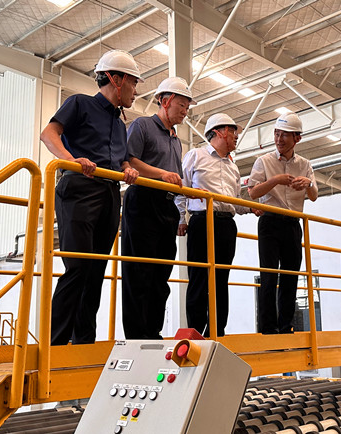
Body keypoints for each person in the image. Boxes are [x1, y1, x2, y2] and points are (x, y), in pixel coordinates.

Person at [40, 50, 141, 345]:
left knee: (96, 270)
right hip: (79, 188)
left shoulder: (120, 125)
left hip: (110, 193)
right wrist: (72, 160)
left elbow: (121, 159)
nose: (136, 91)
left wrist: (127, 168)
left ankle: (84, 342)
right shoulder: (79, 104)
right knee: (78, 267)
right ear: (116, 79)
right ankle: (55, 344)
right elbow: (49, 134)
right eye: (134, 83)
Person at [121, 76, 194, 339]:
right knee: (139, 272)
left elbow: (175, 176)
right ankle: (136, 335)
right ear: (165, 101)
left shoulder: (176, 140)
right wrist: (162, 174)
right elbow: (129, 161)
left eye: (187, 107)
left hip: (166, 206)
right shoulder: (142, 126)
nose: (185, 112)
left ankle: (153, 332)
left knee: (161, 273)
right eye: (182, 105)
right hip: (142, 201)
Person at [176, 113, 256, 337]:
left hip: (226, 225)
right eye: (233, 132)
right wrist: (181, 218)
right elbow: (181, 187)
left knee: (221, 278)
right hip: (202, 221)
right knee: (199, 277)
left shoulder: (233, 167)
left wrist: (251, 208)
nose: (236, 137)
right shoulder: (195, 155)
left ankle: (217, 331)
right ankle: (195, 331)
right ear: (220, 132)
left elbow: (235, 202)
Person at [247, 112, 318, 334]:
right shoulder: (264, 161)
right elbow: (252, 192)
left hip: (293, 224)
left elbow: (314, 196)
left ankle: (286, 326)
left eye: (285, 135)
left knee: (290, 276)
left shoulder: (305, 165)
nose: (279, 139)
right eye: (277, 134)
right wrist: (275, 180)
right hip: (269, 222)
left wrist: (308, 184)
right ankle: (268, 328)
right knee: (269, 275)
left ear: (297, 138)